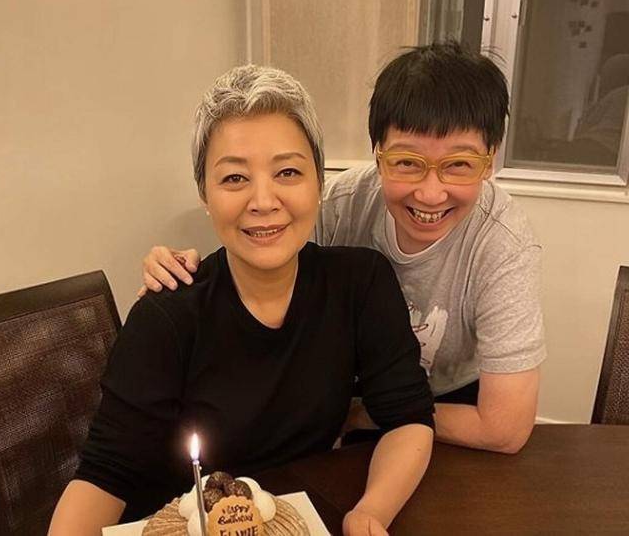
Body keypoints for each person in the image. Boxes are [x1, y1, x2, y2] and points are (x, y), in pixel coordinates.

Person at [49, 65, 434, 536]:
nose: (263, 200)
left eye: (288, 172)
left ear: (318, 182)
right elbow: (104, 475)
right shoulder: (167, 315)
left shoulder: (361, 283)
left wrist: (369, 512)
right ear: (204, 194)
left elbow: (408, 418)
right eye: (234, 178)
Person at [139, 42, 546, 455]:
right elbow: (262, 266)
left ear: (490, 161)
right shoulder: (340, 206)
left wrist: (366, 413)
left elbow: (504, 428)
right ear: (377, 154)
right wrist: (188, 275)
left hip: (449, 408)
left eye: (459, 164)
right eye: (406, 162)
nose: (430, 192)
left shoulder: (503, 245)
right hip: (350, 398)